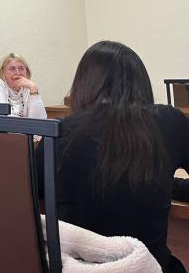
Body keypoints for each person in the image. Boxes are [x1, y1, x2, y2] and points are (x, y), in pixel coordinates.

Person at [36, 41, 189, 272]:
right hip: (149, 267)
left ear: (83, 84)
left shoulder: (57, 132)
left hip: (76, 267)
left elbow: (34, 194)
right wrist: (167, 185)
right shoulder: (170, 121)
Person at [0, 52, 46, 118]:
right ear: (3, 71)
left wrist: (34, 89)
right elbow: (3, 119)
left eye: (21, 68)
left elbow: (40, 119)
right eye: (12, 69)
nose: (18, 73)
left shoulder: (27, 87)